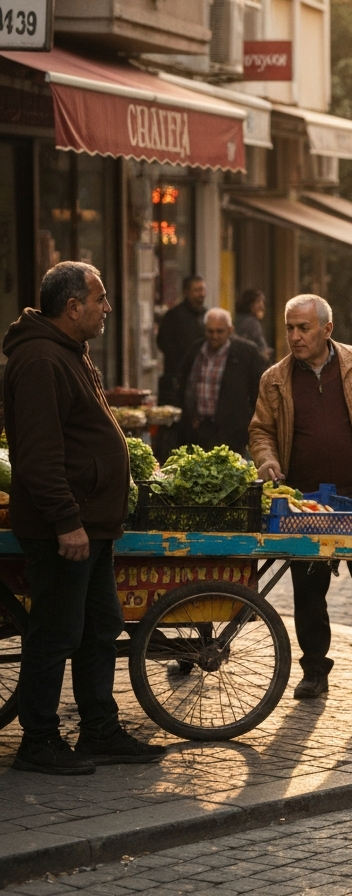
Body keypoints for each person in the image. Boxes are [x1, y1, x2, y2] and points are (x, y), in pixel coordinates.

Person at [3, 261, 166, 774]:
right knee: (56, 632)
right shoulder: (38, 361)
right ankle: (40, 742)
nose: (106, 308)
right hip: (65, 531)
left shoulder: (70, 352)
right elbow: (38, 455)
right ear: (72, 307)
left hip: (92, 526)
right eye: (100, 299)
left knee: (100, 628)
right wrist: (66, 521)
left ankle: (99, 730)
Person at [248, 294, 352, 699]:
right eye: (289, 327)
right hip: (305, 502)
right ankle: (314, 670)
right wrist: (267, 460)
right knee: (309, 589)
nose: (294, 336)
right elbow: (260, 430)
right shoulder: (274, 378)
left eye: (303, 328)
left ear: (327, 329)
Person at [173, 308, 267, 454]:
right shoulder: (196, 350)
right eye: (210, 331)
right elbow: (182, 383)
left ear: (230, 330)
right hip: (198, 431)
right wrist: (188, 417)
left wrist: (247, 424)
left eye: (219, 331)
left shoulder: (246, 352)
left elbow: (259, 392)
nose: (214, 336)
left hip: (232, 434)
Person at [156, 274, 207, 406]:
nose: (201, 294)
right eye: (197, 290)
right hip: (177, 379)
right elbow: (163, 343)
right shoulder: (173, 317)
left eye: (202, 290)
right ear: (186, 292)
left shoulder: (207, 316)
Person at [235, 288, 273, 362]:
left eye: (262, 301)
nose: (262, 305)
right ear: (249, 304)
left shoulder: (238, 319)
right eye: (258, 301)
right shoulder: (251, 323)